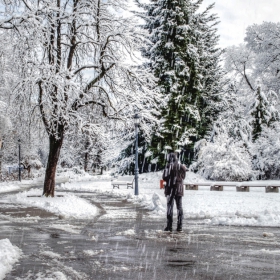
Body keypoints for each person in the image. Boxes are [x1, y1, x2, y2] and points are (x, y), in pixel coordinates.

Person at [162, 152, 187, 232]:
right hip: (179, 189)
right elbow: (183, 177)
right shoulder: (182, 166)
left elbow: (164, 177)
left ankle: (169, 226)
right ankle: (179, 227)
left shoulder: (168, 166)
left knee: (170, 207)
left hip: (170, 189)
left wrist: (171, 179)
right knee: (179, 207)